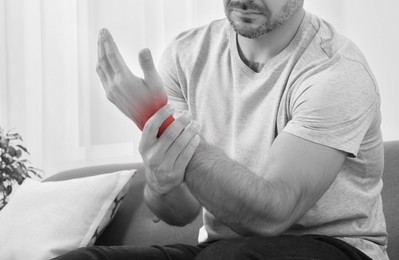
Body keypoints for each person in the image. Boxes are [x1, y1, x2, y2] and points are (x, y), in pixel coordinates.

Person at [55, 0, 388, 259]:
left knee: (230, 254)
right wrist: (160, 180)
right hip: (221, 251)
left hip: (339, 249)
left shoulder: (336, 70)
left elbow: (272, 214)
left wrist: (156, 119)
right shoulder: (186, 56)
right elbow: (179, 210)